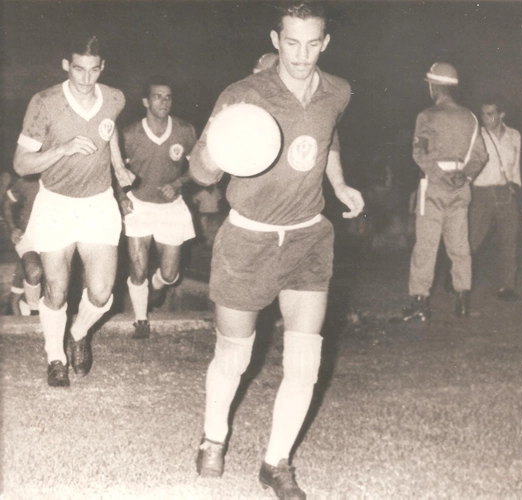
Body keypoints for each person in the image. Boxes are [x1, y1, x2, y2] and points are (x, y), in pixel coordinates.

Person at [189, 3, 364, 498]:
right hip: (248, 237)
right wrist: (215, 142)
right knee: (234, 353)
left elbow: (327, 139)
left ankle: (276, 461)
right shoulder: (243, 94)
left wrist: (342, 184)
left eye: (313, 43)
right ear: (275, 38)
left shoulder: (339, 91)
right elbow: (203, 174)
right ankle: (213, 437)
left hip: (309, 236)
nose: (302, 54)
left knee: (305, 360)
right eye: (291, 42)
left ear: (325, 42)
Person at [13, 34, 135, 388]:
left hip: (97, 204)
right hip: (56, 204)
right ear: (67, 65)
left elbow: (108, 130)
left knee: (100, 293)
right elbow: (21, 164)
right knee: (56, 290)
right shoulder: (45, 102)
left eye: (93, 70)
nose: (85, 79)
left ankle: (78, 333)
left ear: (102, 68)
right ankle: (55, 356)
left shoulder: (114, 97)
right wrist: (62, 149)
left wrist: (118, 168)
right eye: (78, 69)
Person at [402, 62, 488, 321]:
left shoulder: (427, 116)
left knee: (426, 246)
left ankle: (420, 303)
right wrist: (465, 175)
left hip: (434, 188)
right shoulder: (470, 117)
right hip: (461, 188)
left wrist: (440, 176)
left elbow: (419, 153)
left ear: (433, 86)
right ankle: (462, 301)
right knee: (459, 247)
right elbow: (481, 154)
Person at [117, 77, 197, 339]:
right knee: (137, 267)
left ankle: (157, 284)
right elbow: (114, 170)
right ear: (145, 101)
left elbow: (198, 168)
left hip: (171, 208)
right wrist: (122, 197)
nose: (163, 102)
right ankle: (141, 320)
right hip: (139, 205)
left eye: (167, 97)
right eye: (157, 96)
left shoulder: (185, 131)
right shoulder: (129, 134)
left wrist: (178, 181)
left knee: (170, 274)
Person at [469, 94, 522, 302]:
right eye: (482, 113)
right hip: (481, 193)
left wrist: (516, 187)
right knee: (472, 241)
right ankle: (458, 280)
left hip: (505, 192)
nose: (485, 118)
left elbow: (515, 165)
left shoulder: (514, 135)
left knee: (509, 241)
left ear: (502, 114)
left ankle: (506, 287)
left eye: (490, 113)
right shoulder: (477, 136)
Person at [2, 174, 42, 315]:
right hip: (27, 236)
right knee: (34, 270)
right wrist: (13, 228)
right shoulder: (27, 181)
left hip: (53, 237)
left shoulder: (61, 178)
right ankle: (33, 311)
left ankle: (20, 301)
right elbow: (6, 203)